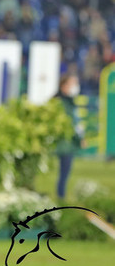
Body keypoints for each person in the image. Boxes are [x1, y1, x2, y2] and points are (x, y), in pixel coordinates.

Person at [54, 73, 84, 201]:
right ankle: (60, 198)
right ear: (64, 85)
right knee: (64, 172)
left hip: (66, 142)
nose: (75, 86)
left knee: (64, 172)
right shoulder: (63, 102)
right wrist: (79, 138)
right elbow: (71, 124)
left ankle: (61, 196)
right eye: (73, 83)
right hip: (64, 143)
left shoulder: (67, 101)